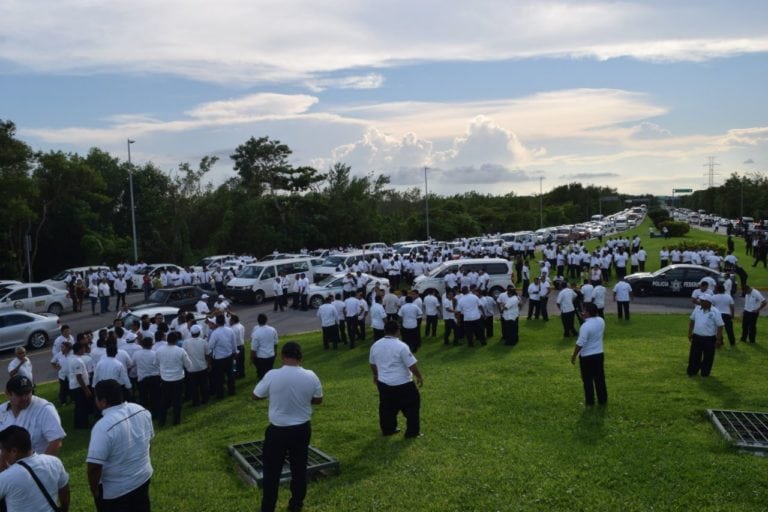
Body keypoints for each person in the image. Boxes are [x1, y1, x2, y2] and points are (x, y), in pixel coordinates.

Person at [253, 342, 323, 512]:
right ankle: (296, 504)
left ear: (282, 357)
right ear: (300, 357)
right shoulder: (311, 375)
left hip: (278, 430)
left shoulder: (272, 374)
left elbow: (256, 395)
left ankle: (268, 507)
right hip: (301, 429)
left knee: (272, 472)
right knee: (299, 469)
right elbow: (318, 399)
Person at [87, 379, 154, 512]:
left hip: (116, 492)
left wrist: (94, 490)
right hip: (143, 477)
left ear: (103, 401)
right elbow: (149, 442)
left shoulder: (103, 427)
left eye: (96, 397)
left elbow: (94, 467)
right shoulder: (140, 410)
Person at [369, 321, 424, 438]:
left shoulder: (375, 345)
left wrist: (375, 376)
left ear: (385, 331)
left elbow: (372, 363)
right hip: (403, 383)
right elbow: (411, 365)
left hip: (383, 383)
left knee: (386, 408)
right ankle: (412, 432)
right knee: (412, 407)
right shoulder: (401, 346)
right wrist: (419, 376)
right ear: (398, 331)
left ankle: (388, 429)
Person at [0, 425, 70, 512]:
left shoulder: (6, 477)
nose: (1, 454)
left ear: (14, 451)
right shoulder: (54, 462)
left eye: (2, 450)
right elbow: (65, 491)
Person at [0, 375, 66, 457]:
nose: (25, 398)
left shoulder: (44, 409)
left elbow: (56, 442)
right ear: (8, 393)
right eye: (19, 394)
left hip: (33, 466)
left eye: (28, 393)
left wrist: (39, 466)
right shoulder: (1, 410)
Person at [570, 303, 607, 406]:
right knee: (600, 378)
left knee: (587, 380)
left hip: (587, 356)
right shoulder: (601, 321)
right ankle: (602, 399)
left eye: (584, 311)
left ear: (588, 312)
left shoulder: (585, 326)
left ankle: (590, 401)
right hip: (599, 354)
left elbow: (580, 343)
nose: (582, 312)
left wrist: (574, 356)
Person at [155, 332, 192, 426]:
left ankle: (161, 421)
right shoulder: (180, 351)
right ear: (176, 340)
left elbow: (155, 363)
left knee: (164, 401)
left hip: (165, 379)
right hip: (178, 378)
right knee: (177, 400)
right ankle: (176, 421)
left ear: (167, 340)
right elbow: (188, 365)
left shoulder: (159, 350)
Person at [687, 294, 724, 377]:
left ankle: (705, 372)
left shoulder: (715, 312)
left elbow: (720, 326)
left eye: (702, 301)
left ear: (708, 302)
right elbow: (692, 320)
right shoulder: (697, 309)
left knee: (708, 357)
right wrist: (690, 333)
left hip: (709, 338)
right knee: (694, 355)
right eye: (701, 300)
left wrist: (718, 339)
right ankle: (692, 371)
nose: (700, 302)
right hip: (697, 336)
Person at [208, 315, 238, 398]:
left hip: (218, 359)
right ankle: (232, 391)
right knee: (230, 375)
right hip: (228, 356)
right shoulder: (230, 330)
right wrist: (234, 352)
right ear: (224, 321)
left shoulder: (215, 333)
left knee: (219, 377)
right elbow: (234, 343)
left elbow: (210, 346)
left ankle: (220, 394)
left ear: (217, 323)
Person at [183, 325, 211, 407]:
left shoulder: (186, 342)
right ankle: (205, 399)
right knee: (204, 384)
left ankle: (196, 402)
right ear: (199, 333)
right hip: (202, 367)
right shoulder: (203, 342)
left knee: (193, 387)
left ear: (191, 333)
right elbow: (208, 354)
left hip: (191, 369)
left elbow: (184, 355)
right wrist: (209, 364)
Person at [251, 314, 279, 381]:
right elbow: (275, 343)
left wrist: (252, 358)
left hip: (261, 357)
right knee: (270, 373)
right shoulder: (272, 329)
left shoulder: (256, 332)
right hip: (271, 355)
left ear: (258, 321)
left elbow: (254, 348)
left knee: (262, 375)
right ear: (266, 320)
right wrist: (275, 352)